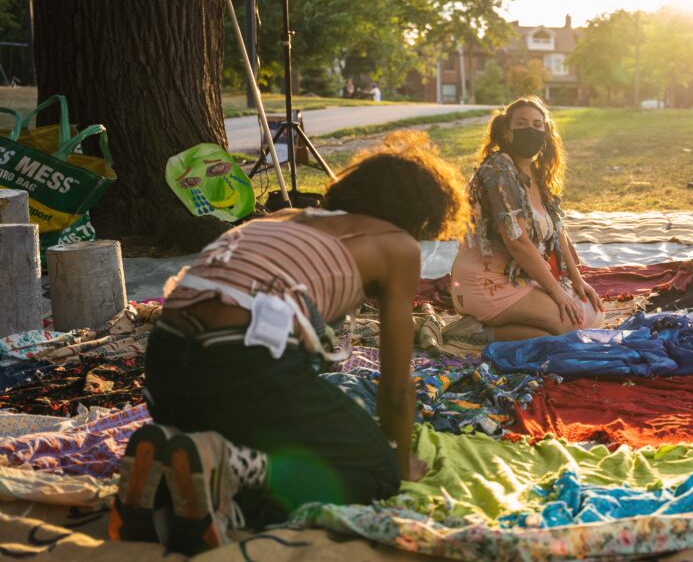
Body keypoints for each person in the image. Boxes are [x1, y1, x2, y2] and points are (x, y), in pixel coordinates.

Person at [110, 133, 467, 554]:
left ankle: (169, 483)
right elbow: (394, 387)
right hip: (244, 364)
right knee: (375, 472)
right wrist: (398, 459)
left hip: (165, 367)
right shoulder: (397, 245)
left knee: (276, 430)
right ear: (424, 213)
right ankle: (232, 481)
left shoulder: (280, 218)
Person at [446, 96, 604, 343]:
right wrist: (556, 292)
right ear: (506, 132)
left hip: (520, 277)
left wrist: (578, 279)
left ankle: (517, 328)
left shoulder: (537, 174)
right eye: (521, 124)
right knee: (574, 327)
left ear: (546, 133)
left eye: (537, 125)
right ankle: (475, 332)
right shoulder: (498, 170)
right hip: (485, 282)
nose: (530, 130)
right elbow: (517, 242)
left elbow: (558, 231)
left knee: (593, 315)